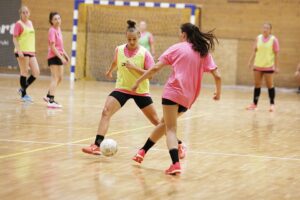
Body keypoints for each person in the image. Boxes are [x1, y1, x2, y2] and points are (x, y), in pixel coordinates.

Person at [81, 20, 186, 158]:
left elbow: (150, 75)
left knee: (157, 122)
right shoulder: (118, 49)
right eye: (129, 39)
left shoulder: (145, 53)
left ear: (139, 37)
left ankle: (179, 145)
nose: (131, 42)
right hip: (122, 88)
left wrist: (133, 68)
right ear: (126, 37)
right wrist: (110, 70)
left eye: (134, 39)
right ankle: (96, 145)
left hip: (140, 92)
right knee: (106, 111)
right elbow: (115, 61)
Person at [131, 23, 221, 175]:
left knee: (170, 128)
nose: (179, 36)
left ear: (184, 34)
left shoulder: (177, 48)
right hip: (188, 97)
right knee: (164, 124)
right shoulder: (203, 51)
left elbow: (154, 68)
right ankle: (142, 152)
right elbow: (217, 76)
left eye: (180, 33)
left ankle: (175, 164)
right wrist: (218, 93)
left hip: (172, 92)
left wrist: (138, 81)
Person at [247, 23, 280, 112]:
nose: (265, 29)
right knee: (257, 85)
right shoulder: (258, 38)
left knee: (270, 85)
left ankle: (272, 104)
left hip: (268, 66)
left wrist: (276, 67)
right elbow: (254, 51)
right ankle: (254, 104)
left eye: (267, 28)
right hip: (257, 65)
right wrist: (250, 61)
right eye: (264, 27)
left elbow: (276, 54)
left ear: (270, 30)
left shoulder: (274, 40)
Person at [13, 5, 40, 102]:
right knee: (24, 72)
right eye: (23, 12)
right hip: (22, 52)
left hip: (31, 51)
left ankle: (22, 89)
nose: (25, 14)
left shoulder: (31, 23)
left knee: (36, 72)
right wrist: (19, 51)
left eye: (27, 12)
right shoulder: (18, 24)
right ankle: (23, 95)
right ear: (20, 14)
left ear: (29, 13)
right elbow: (14, 38)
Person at [43, 12, 69, 108]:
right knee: (55, 78)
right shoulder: (52, 31)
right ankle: (51, 100)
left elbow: (60, 46)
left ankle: (48, 95)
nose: (57, 21)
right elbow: (53, 47)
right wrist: (61, 57)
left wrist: (66, 55)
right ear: (51, 21)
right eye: (55, 19)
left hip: (59, 56)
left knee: (60, 78)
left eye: (59, 18)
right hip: (53, 57)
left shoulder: (59, 29)